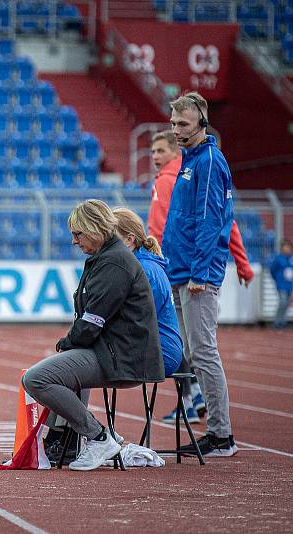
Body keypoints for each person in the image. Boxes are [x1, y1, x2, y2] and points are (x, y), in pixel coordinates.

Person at [23, 199, 164, 471]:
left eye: (78, 234)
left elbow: (91, 321)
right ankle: (62, 441)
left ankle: (98, 437)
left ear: (95, 228)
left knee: (36, 378)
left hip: (123, 357)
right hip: (113, 351)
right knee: (61, 369)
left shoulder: (114, 263)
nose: (75, 241)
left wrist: (66, 343)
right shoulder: (106, 257)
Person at [148, 130, 254, 423]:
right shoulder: (170, 179)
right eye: (152, 152)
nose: (155, 157)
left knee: (187, 344)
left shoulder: (178, 180)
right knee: (182, 341)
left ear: (174, 150)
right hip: (171, 267)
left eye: (160, 151)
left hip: (180, 269)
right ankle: (192, 399)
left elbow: (221, 221)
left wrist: (242, 262)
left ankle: (197, 402)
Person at [163, 92, 237, 457]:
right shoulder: (190, 160)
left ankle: (221, 434)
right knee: (192, 352)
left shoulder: (208, 161)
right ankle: (215, 430)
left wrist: (200, 271)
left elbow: (209, 221)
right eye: (174, 124)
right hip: (180, 270)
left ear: (201, 125)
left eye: (183, 125)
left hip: (196, 276)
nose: (176, 131)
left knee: (204, 353)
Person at [113, 207, 182, 377]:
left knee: (81, 359)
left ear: (129, 239)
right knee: (80, 354)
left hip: (159, 354)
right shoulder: (139, 265)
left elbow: (138, 320)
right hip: (151, 347)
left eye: (112, 239)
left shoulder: (144, 270)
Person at [269, 239, 293, 329]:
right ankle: (277, 321)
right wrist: (277, 279)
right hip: (281, 285)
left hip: (290, 285)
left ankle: (282, 321)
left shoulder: (291, 258)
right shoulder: (278, 258)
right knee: (282, 302)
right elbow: (272, 270)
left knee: (287, 303)